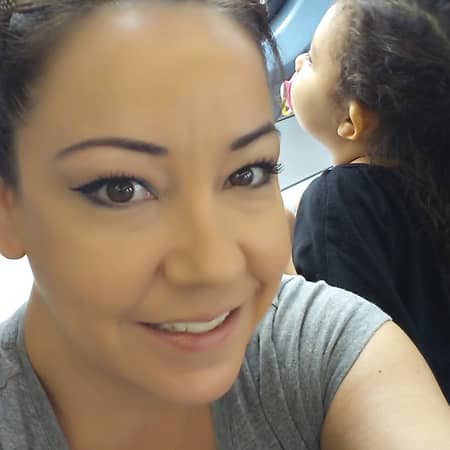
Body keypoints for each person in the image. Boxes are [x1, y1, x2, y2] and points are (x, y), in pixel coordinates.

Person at [0, 1, 448, 449]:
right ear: (9, 210)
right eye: (121, 189)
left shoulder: (326, 346)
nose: (216, 267)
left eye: (246, 173)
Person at [286, 0, 450, 401]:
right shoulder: (432, 176)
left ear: (351, 120)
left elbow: (338, 349)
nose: (298, 62)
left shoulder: (338, 203)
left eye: (312, 59)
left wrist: (286, 264)